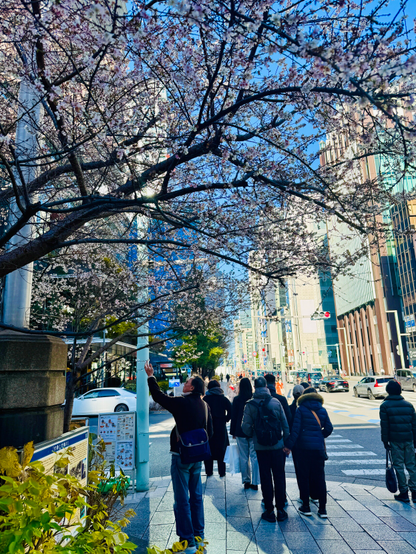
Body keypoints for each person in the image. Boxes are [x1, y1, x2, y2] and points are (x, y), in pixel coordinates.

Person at [145, 361, 213, 554]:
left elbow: (159, 397)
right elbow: (211, 432)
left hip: (181, 456)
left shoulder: (182, 403)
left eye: (187, 382)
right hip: (198, 457)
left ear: (192, 387)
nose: (184, 384)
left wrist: (151, 376)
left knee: (182, 499)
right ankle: (199, 538)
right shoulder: (205, 406)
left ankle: (187, 542)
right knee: (197, 497)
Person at [242, 376, 290, 523]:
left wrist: (254, 435)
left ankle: (269, 510)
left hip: (260, 447)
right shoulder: (276, 402)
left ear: (255, 387)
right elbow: (285, 425)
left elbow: (245, 427)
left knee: (265, 477)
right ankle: (281, 510)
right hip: (277, 446)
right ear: (267, 387)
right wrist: (285, 443)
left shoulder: (250, 405)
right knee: (279, 476)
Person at [284, 387, 333, 519]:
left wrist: (288, 445)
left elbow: (295, 430)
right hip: (318, 449)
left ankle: (306, 506)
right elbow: (329, 428)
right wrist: (319, 435)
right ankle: (322, 509)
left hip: (303, 449)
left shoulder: (301, 410)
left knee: (304, 477)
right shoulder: (322, 410)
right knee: (320, 478)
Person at [380, 379, 416, 502]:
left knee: (399, 466)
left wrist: (385, 441)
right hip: (409, 439)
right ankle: (415, 492)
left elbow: (385, 426)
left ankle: (404, 492)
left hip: (395, 441)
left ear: (388, 391)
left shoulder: (385, 406)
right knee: (412, 466)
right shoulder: (409, 405)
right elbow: (414, 425)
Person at [230, 377, 260, 490]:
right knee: (254, 456)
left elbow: (234, 417)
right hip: (253, 431)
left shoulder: (237, 400)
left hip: (240, 431)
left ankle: (246, 480)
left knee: (243, 456)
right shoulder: (254, 399)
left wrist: (233, 431)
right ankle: (256, 481)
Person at [203, 380, 232, 477]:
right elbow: (231, 411)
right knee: (221, 450)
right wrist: (225, 419)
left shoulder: (205, 399)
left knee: (208, 449)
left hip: (208, 427)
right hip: (220, 427)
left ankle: (209, 471)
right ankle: (222, 472)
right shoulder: (222, 398)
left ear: (209, 388)